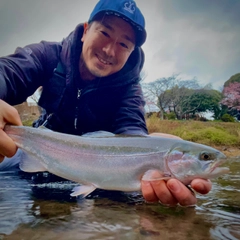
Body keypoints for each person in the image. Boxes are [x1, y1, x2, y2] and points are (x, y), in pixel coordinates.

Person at [0, 0, 211, 206]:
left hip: (100, 168)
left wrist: (154, 148)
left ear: (130, 52)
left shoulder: (130, 87)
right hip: (38, 148)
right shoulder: (48, 56)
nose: (110, 51)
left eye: (123, 44)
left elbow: (132, 132)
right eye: (104, 33)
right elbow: (8, 72)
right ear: (85, 31)